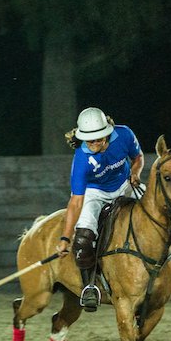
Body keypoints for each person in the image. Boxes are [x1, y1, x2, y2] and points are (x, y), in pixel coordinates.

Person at [55, 107, 144, 312]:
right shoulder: (81, 160)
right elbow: (76, 202)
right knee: (84, 237)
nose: (94, 144)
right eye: (90, 140)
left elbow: (137, 157)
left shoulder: (124, 134)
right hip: (94, 193)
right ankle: (90, 287)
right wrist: (65, 238)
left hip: (125, 184)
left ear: (107, 133)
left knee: (155, 212)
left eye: (99, 139)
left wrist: (136, 172)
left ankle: (165, 261)